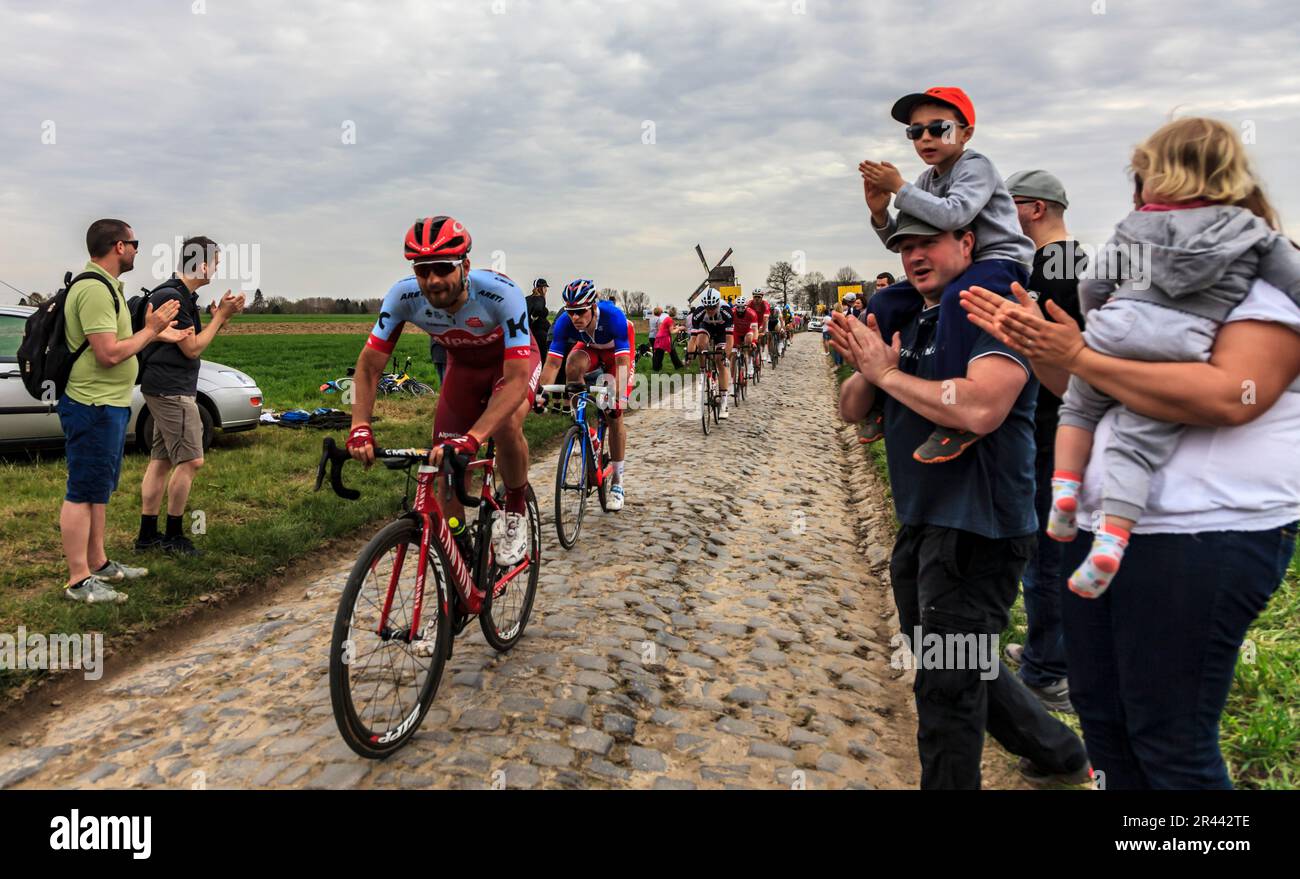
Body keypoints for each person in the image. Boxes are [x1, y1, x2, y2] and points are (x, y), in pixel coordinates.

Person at [960, 213, 1300, 789]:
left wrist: (1080, 356)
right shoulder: (1133, 269)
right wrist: (1042, 347)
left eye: (1163, 185)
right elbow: (1084, 389)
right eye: (1141, 187)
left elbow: (1230, 397)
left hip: (1203, 531)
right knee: (1105, 719)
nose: (1146, 203)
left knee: (1169, 736)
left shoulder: (1261, 267)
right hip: (1104, 525)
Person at [830, 212, 1088, 790]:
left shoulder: (988, 310)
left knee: (945, 691)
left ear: (966, 242)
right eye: (905, 247)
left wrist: (889, 376)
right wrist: (873, 370)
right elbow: (851, 407)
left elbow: (978, 407)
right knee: (957, 662)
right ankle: (1060, 754)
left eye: (929, 242)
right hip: (920, 520)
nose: (915, 256)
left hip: (979, 527)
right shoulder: (916, 319)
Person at [1037, 119, 1300, 598]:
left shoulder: (1140, 238)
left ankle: (1063, 492)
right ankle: (1110, 539)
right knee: (1136, 442)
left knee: (1078, 409)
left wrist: (1086, 345)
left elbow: (1229, 398)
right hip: (1179, 355)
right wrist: (1053, 352)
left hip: (1202, 534)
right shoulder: (1254, 240)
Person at [348, 216, 540, 566]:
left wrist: (474, 437)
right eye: (422, 271)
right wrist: (360, 425)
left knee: (507, 425)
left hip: (509, 366)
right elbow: (369, 366)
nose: (432, 280)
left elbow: (514, 382)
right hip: (463, 368)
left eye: (442, 268)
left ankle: (515, 510)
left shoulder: (501, 293)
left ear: (465, 266)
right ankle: (459, 549)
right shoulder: (403, 296)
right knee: (445, 461)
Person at [859, 86, 1034, 464]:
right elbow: (904, 241)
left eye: (938, 128)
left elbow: (955, 215)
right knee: (887, 300)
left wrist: (900, 188)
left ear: (966, 133)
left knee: (958, 300)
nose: (925, 138)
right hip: (959, 267)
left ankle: (954, 411)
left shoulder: (976, 165)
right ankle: (879, 395)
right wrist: (879, 213)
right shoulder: (925, 181)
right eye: (915, 131)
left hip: (997, 262)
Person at [59, 219, 190, 603]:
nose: (137, 249)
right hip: (91, 404)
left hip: (108, 404)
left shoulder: (108, 288)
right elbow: (109, 353)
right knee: (81, 491)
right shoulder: (94, 290)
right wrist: (151, 330)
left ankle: (98, 563)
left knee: (98, 490)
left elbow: (117, 339)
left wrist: (160, 331)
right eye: (134, 243)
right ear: (118, 246)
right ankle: (77, 579)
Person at [996, 168, 1086, 712]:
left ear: (1031, 209)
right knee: (1046, 548)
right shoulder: (1079, 262)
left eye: (1009, 205)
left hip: (1056, 421)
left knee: (1048, 553)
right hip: (1061, 420)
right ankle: (1042, 652)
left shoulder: (1054, 266)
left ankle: (1050, 670)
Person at [136, 236, 245, 556]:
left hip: (160, 387)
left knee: (161, 460)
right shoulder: (176, 297)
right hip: (173, 391)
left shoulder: (176, 293)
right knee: (191, 460)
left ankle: (147, 537)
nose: (217, 268)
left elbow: (190, 341)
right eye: (215, 262)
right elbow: (193, 347)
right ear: (201, 264)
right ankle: (172, 535)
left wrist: (216, 319)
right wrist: (221, 318)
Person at [536, 280, 635, 511]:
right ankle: (582, 426)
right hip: (592, 347)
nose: (575, 317)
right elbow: (552, 364)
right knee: (572, 364)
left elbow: (622, 363)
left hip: (618, 354)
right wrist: (540, 393)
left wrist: (616, 396)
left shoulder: (613, 317)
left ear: (593, 307)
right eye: (570, 312)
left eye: (580, 311)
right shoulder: (565, 322)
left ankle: (618, 483)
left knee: (615, 413)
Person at [686, 287, 734, 419]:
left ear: (718, 303)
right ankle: (704, 371)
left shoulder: (727, 311)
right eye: (708, 307)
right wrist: (690, 355)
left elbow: (730, 339)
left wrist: (726, 355)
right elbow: (693, 338)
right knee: (701, 342)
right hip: (707, 327)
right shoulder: (699, 312)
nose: (710, 310)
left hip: (722, 331)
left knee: (720, 361)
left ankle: (724, 401)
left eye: (713, 307)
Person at [730, 292, 760, 390]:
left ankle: (747, 366)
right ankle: (732, 381)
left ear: (746, 307)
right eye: (738, 307)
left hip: (748, 331)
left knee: (748, 343)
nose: (740, 310)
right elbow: (728, 329)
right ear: (735, 307)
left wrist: (754, 341)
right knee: (733, 355)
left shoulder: (751, 313)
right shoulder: (732, 312)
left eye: (742, 308)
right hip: (737, 333)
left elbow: (755, 329)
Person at [652, 306, 684, 371]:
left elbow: (669, 328)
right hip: (664, 337)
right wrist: (679, 329)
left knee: (660, 352)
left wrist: (676, 328)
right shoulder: (670, 320)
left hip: (660, 336)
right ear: (675, 313)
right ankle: (678, 365)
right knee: (671, 352)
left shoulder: (667, 318)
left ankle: (656, 368)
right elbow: (672, 331)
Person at [527, 278, 551, 351]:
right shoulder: (540, 298)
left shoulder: (527, 299)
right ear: (543, 288)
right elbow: (538, 309)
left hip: (530, 332)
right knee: (543, 357)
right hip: (539, 334)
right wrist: (533, 318)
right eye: (545, 287)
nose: (546, 290)